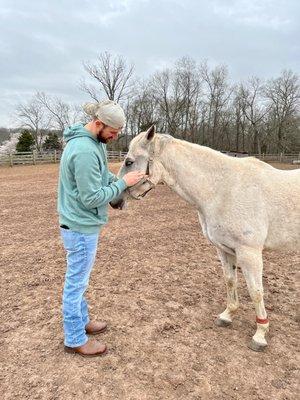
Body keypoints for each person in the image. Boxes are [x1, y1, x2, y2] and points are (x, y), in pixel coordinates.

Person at [57, 100, 144, 357]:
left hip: (80, 223)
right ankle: (74, 338)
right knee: (76, 282)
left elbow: (101, 175)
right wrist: (122, 184)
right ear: (98, 123)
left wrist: (119, 181)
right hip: (81, 227)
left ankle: (81, 321)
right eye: (113, 132)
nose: (115, 136)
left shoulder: (93, 143)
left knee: (80, 281)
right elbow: (92, 197)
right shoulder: (84, 150)